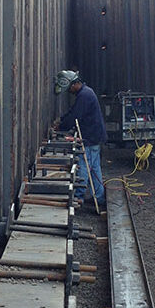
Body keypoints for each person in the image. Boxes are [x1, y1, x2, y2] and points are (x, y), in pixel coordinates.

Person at [53, 70, 106, 208]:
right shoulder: (86, 93)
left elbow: (75, 115)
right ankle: (99, 197)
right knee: (94, 168)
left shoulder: (84, 95)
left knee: (84, 167)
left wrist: (61, 127)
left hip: (89, 138)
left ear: (74, 84)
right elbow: (73, 111)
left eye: (69, 88)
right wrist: (62, 120)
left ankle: (78, 197)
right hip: (94, 136)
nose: (70, 91)